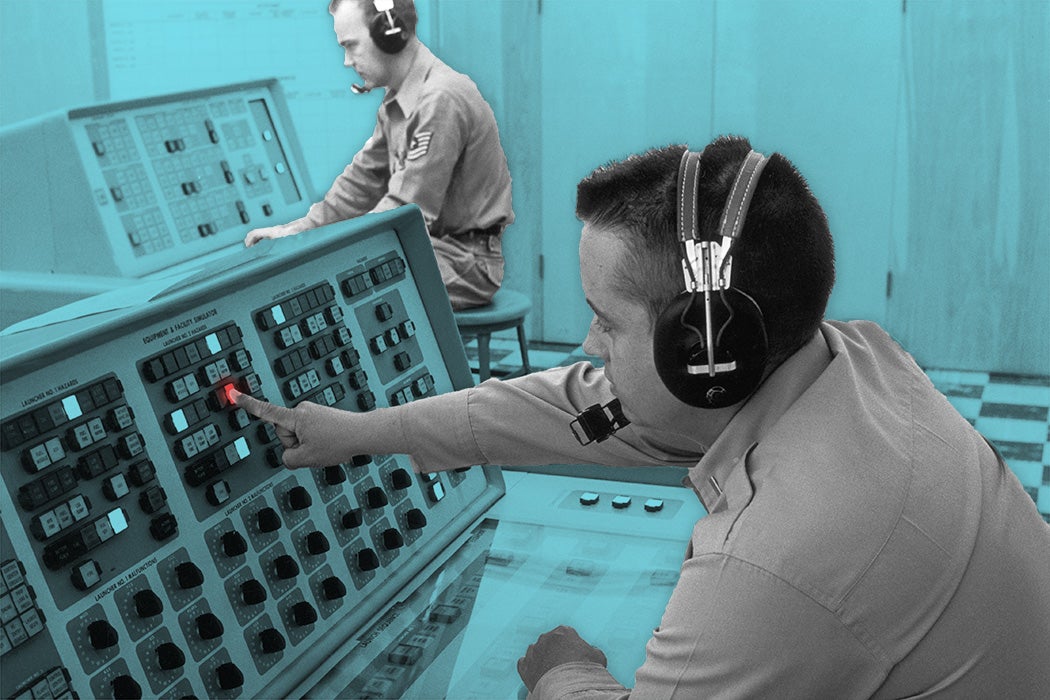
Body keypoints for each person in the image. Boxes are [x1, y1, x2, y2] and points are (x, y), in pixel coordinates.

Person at [232, 136, 1050, 698]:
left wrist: (563, 670)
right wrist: (363, 432)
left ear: (704, 351)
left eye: (605, 320)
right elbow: (571, 411)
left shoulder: (771, 568)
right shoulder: (853, 360)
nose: (587, 344)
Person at [245, 0, 514, 310]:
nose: (347, 61)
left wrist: (321, 250)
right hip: (438, 251)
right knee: (323, 278)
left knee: (333, 287)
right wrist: (295, 232)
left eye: (351, 46)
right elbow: (359, 184)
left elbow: (404, 209)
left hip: (466, 264)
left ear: (389, 34)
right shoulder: (399, 99)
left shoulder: (441, 99)